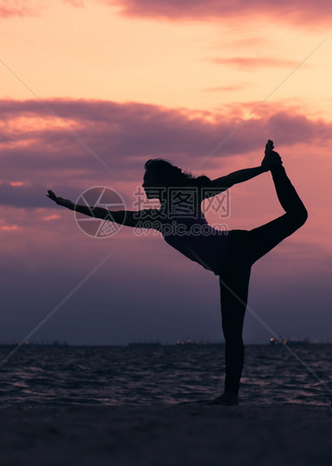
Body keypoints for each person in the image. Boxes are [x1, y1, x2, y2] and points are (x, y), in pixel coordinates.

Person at [46, 140, 308, 404]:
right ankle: (230, 396)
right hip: (228, 270)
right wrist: (71, 206)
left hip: (238, 247)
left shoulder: (188, 195)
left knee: (298, 215)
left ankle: (276, 167)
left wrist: (263, 169)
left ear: (161, 181)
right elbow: (112, 215)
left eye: (147, 178)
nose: (144, 184)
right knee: (232, 331)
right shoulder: (156, 219)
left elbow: (228, 180)